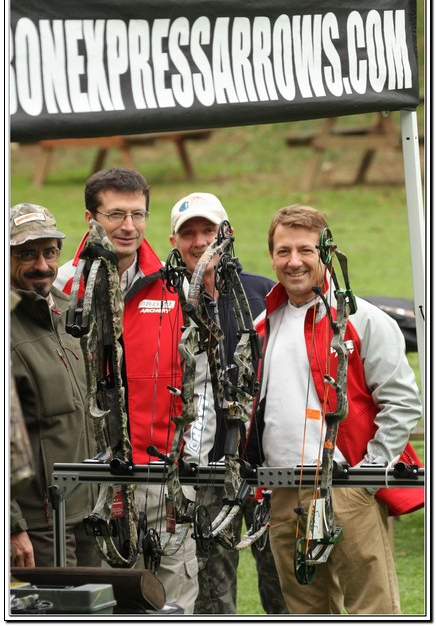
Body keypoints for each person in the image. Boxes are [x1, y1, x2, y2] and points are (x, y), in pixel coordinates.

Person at [245, 204, 423, 615]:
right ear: (271, 256)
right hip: (282, 491)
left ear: (326, 252)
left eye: (305, 250)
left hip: (347, 486)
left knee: (372, 609)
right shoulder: (263, 325)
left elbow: (402, 401)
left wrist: (367, 476)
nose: (294, 261)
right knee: (306, 611)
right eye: (283, 251)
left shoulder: (364, 319)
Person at [55, 167, 199, 613]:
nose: (129, 226)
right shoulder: (64, 286)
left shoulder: (174, 284)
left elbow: (200, 380)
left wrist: (189, 452)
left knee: (174, 603)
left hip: (163, 475)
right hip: (92, 479)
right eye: (116, 214)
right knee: (104, 604)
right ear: (90, 218)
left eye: (138, 214)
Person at [169, 192, 287, 614]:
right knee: (212, 594)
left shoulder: (263, 293)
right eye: (189, 234)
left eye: (210, 231)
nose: (201, 242)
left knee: (281, 584)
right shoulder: (166, 300)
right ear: (174, 242)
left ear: (228, 234)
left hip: (265, 466)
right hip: (203, 468)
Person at [10, 203, 100, 568]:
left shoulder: (70, 313)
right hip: (40, 525)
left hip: (90, 511)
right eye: (26, 254)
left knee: (100, 600)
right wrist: (12, 525)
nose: (42, 265)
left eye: (49, 252)